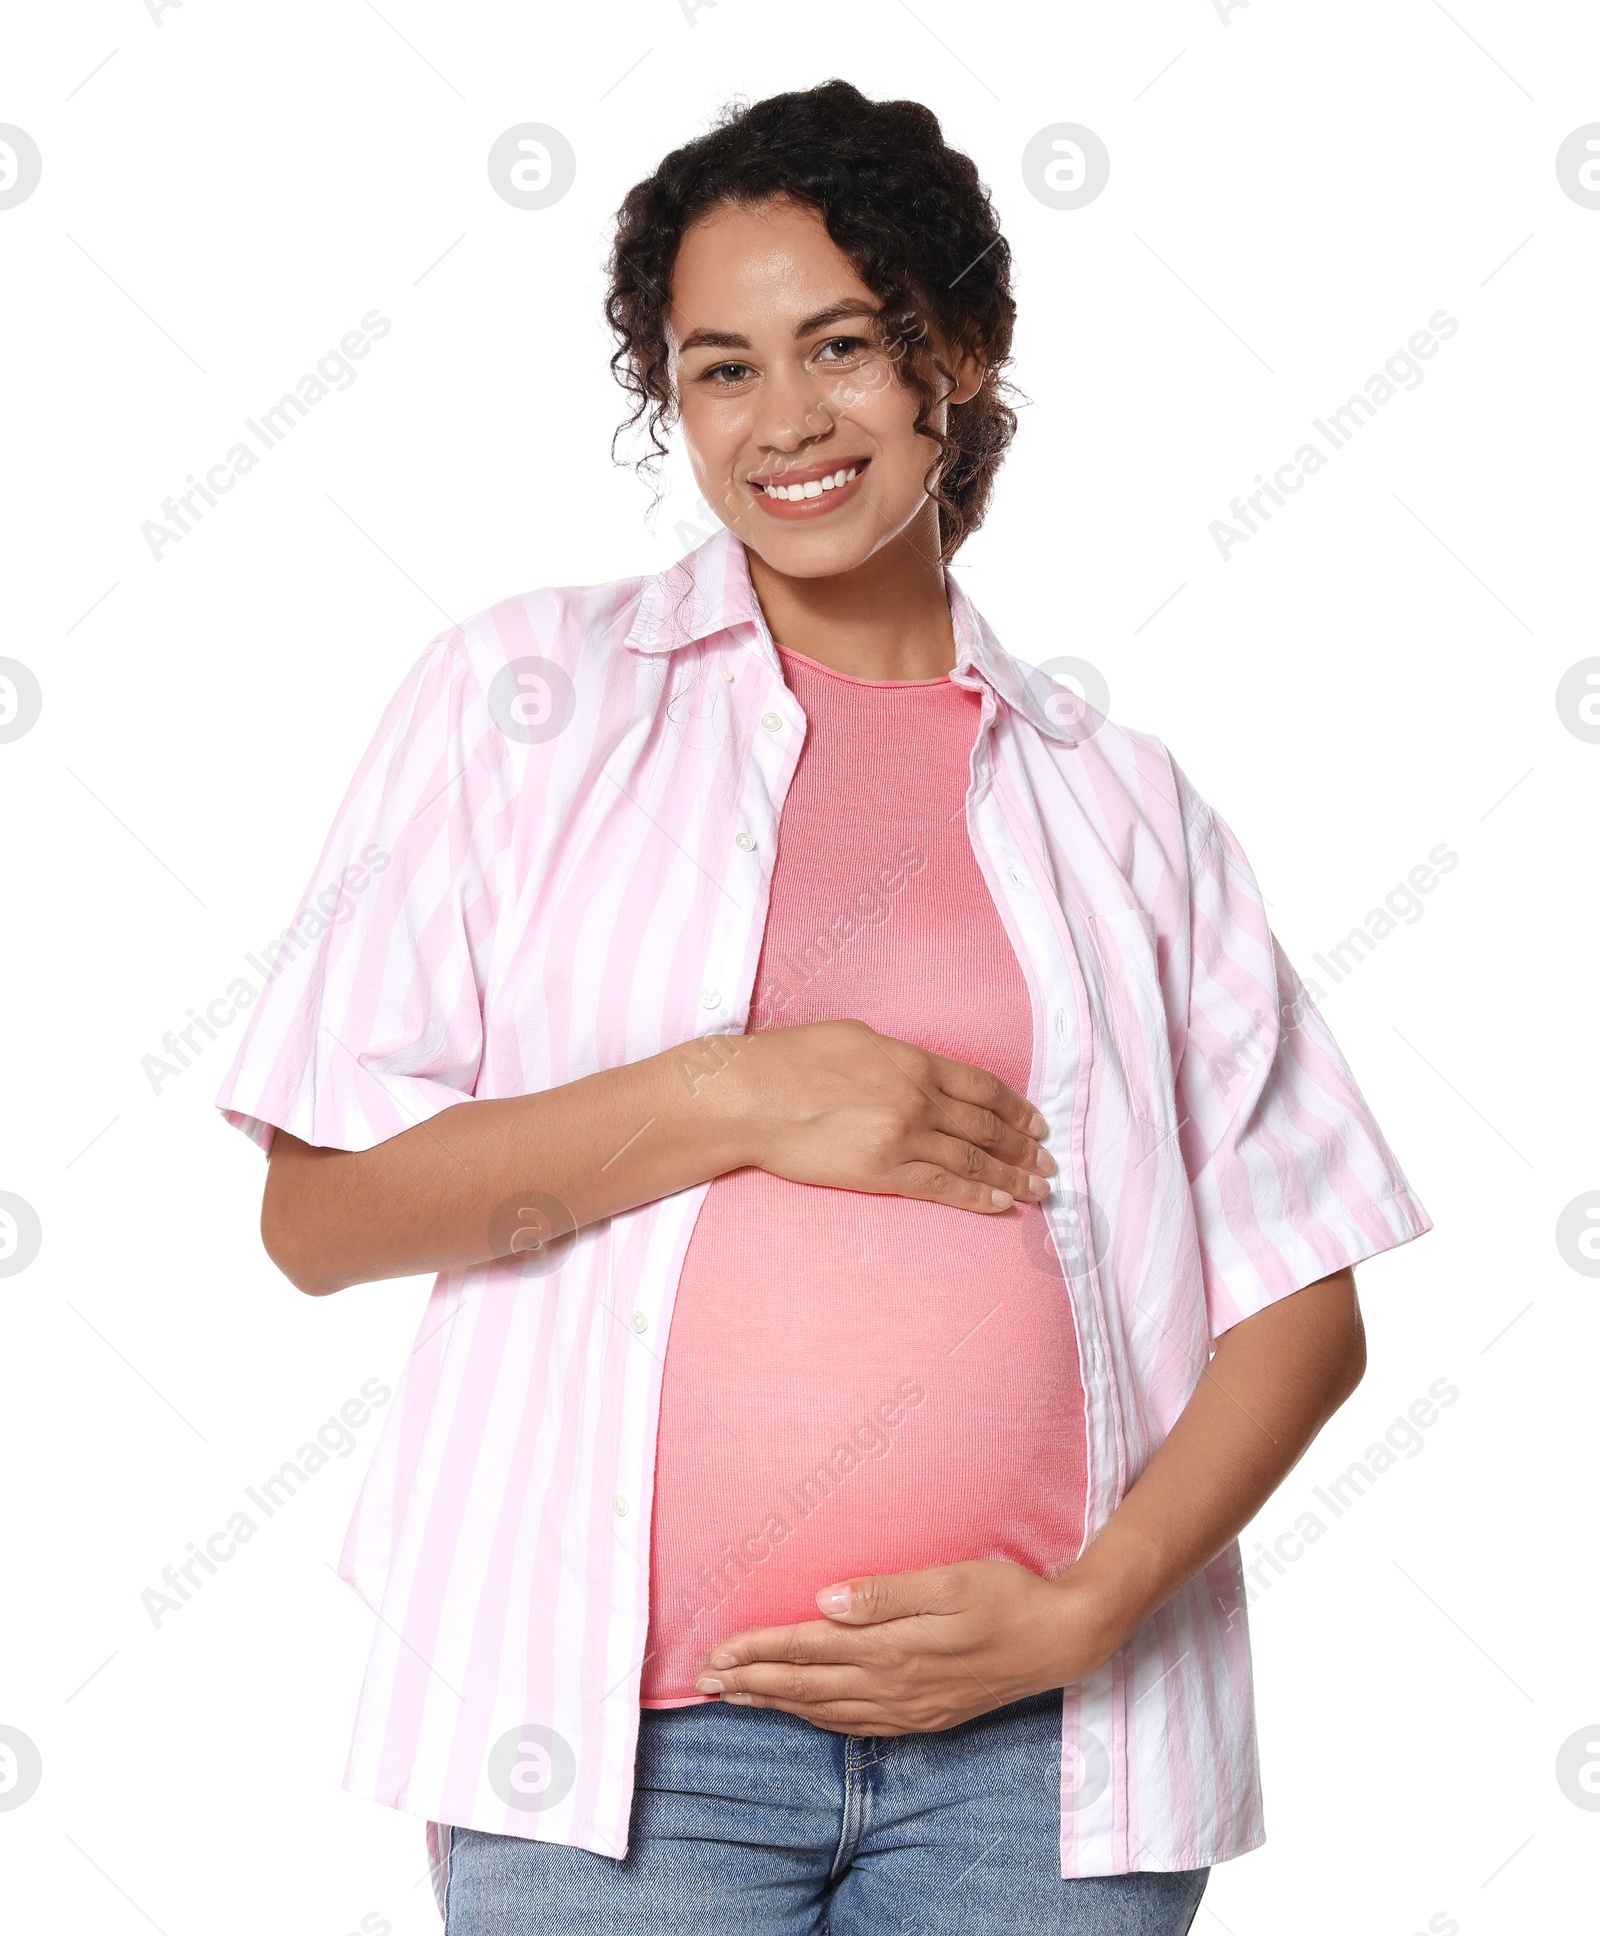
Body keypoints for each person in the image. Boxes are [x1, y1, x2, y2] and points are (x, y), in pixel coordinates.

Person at [216, 79, 1432, 1936]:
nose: (785, 421)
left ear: (961, 350)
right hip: (616, 1754)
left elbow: (1308, 1297)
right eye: (720, 369)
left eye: (844, 346)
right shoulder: (521, 701)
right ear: (670, 400)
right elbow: (321, 1213)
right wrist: (734, 1091)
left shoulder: (1124, 804)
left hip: (1046, 1756)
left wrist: (1093, 1610)